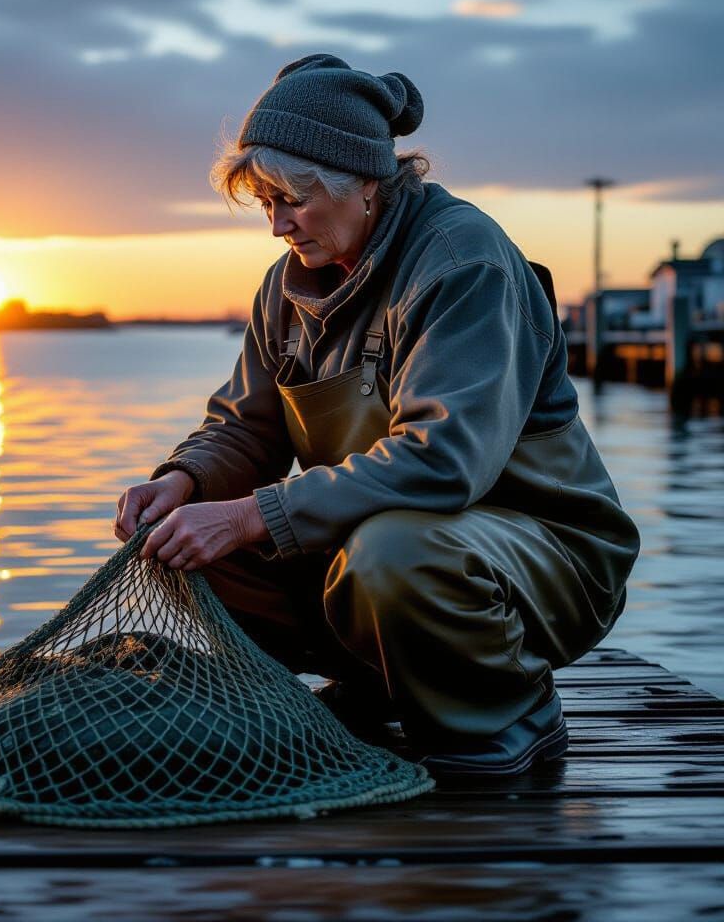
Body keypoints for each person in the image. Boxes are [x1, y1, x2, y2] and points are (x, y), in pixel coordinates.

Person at [113, 53, 640, 775]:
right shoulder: (286, 287)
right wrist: (185, 484)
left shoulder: (462, 262)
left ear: (363, 183)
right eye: (265, 203)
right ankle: (383, 681)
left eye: (290, 199)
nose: (276, 226)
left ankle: (510, 705)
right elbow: (246, 426)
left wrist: (248, 515)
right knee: (185, 543)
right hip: (380, 542)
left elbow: (441, 461)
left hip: (548, 551)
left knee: (389, 554)